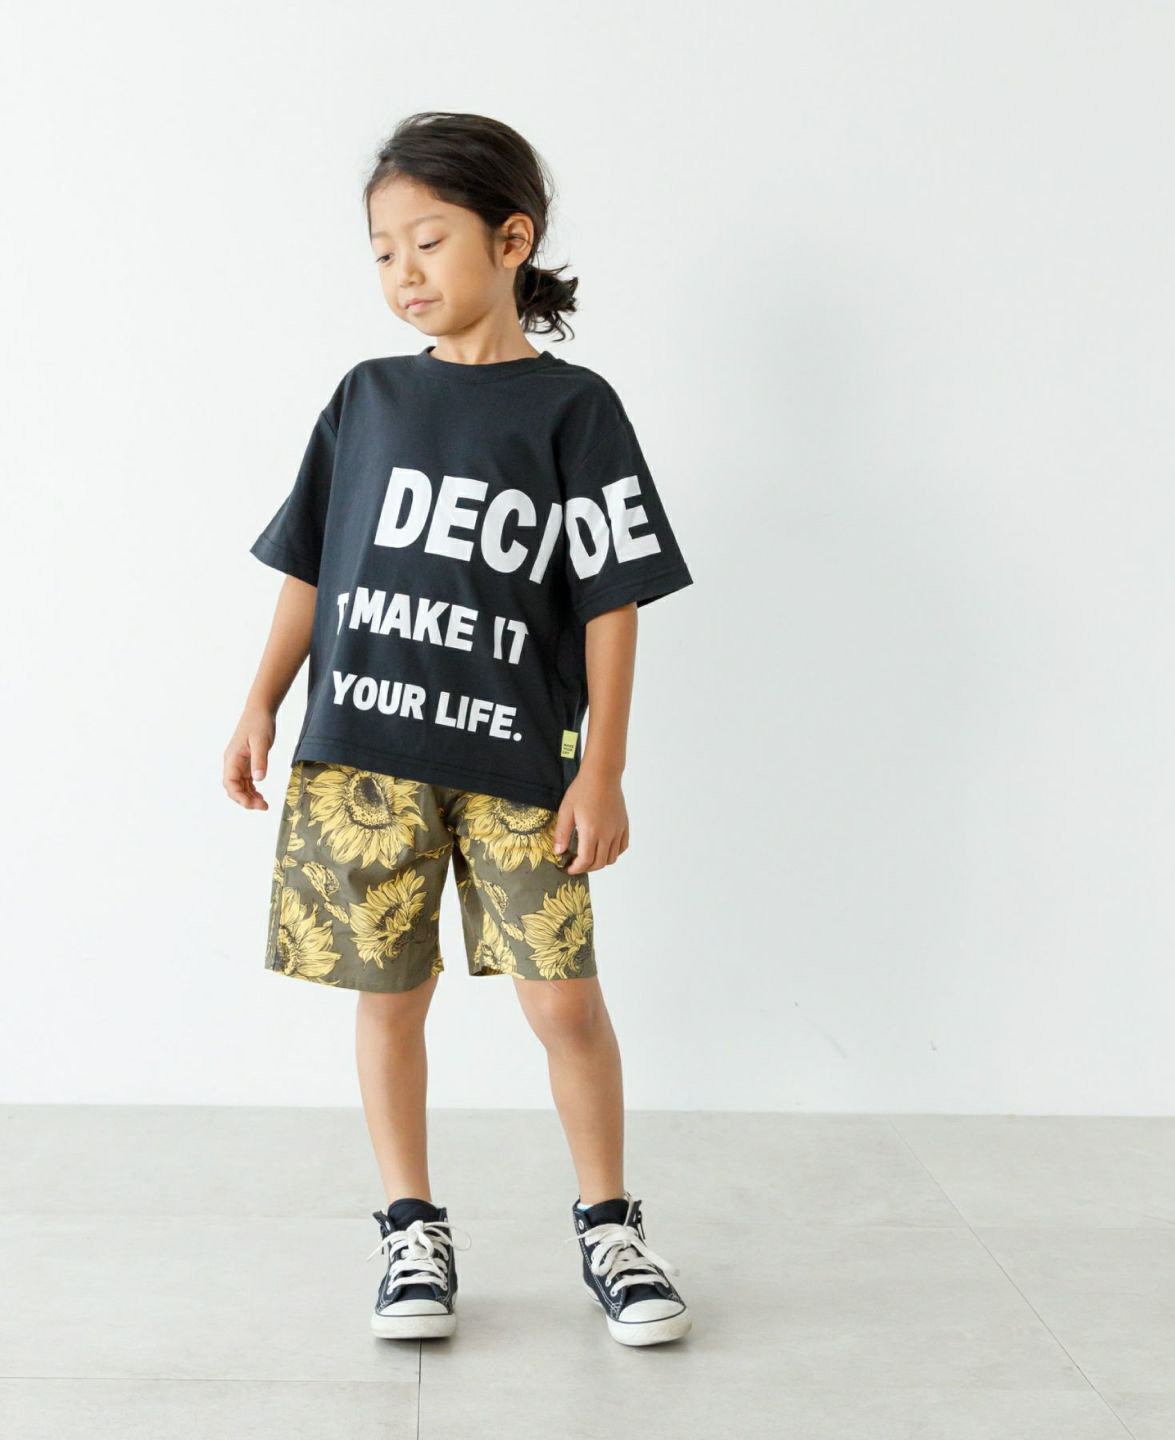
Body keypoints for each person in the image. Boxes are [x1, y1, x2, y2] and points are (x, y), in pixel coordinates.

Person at [224, 111, 695, 1349]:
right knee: (389, 996)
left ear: (512, 239)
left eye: (428, 241)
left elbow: (611, 599)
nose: (405, 272)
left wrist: (603, 767)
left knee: (564, 1005)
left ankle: (611, 1226)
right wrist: (262, 696)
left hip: (518, 766)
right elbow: (311, 566)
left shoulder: (575, 409)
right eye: (383, 252)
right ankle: (410, 1229)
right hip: (363, 758)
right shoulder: (367, 398)